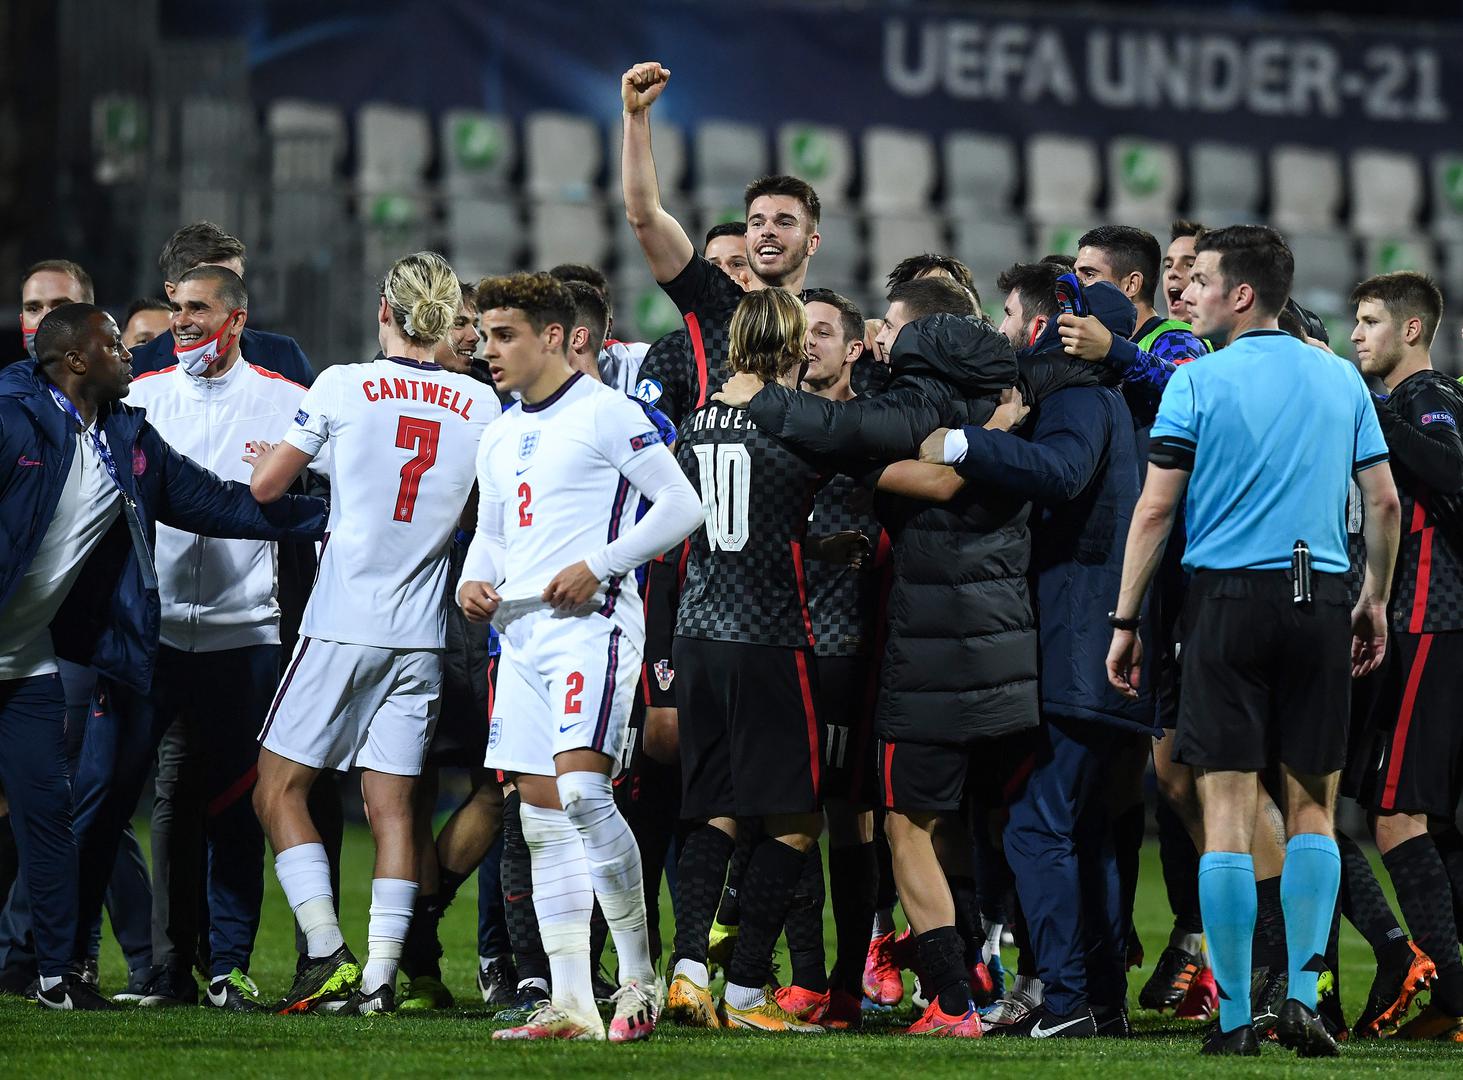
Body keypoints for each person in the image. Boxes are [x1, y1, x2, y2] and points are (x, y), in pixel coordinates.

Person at [1105, 225, 1402, 1058]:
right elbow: (1382, 503)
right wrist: (1371, 598)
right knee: (1312, 807)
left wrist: (1125, 621)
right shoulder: (1340, 377)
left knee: (1227, 811)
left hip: (1225, 602)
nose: (1186, 293)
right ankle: (1303, 995)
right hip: (1320, 599)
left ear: (1241, 294)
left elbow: (1156, 510)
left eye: (1199, 280)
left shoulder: (1195, 383)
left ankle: (1236, 1016)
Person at [718, 275, 1041, 1037]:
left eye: (892, 326)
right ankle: (983, 977)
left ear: (919, 334)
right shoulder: (1002, 400)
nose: (883, 341)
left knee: (902, 826)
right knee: (964, 823)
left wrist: (756, 398)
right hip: (1000, 650)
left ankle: (952, 1002)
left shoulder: (914, 404)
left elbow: (856, 444)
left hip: (926, 655)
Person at [0, 302, 327, 1010]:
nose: (131, 353)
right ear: (76, 360)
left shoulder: (126, 432)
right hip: (48, 645)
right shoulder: (11, 412)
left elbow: (216, 503)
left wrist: (333, 517)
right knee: (81, 806)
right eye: (116, 344)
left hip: (29, 659)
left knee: (49, 813)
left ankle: (59, 976)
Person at [249, 251, 494, 1016]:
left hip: (341, 622)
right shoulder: (482, 407)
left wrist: (293, 466)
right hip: (422, 632)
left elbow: (266, 488)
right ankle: (383, 977)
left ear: (383, 311)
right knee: (392, 806)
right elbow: (475, 517)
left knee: (276, 788)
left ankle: (325, 953)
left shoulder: (341, 384)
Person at [458, 272, 700, 1043]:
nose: (485, 348)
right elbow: (492, 532)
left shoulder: (606, 413)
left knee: (587, 798)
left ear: (556, 337)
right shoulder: (497, 430)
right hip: (521, 631)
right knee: (538, 817)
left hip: (591, 624)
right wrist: (473, 576)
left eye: (503, 335)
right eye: (484, 334)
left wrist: (603, 563)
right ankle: (569, 1001)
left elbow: (682, 505)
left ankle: (637, 979)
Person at [927, 264, 1150, 1038]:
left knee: (1034, 825)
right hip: (1095, 638)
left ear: (1037, 328)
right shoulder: (1087, 399)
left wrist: (967, 442)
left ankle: (1065, 1001)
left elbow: (1058, 474)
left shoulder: (1083, 400)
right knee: (1082, 831)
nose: (998, 332)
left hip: (1079, 638)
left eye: (1005, 318)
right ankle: (1101, 1001)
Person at [114, 266, 309, 1011]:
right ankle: (165, 969)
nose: (182, 321)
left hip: (246, 633)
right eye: (175, 309)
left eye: (197, 308)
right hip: (154, 633)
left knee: (238, 804)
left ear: (237, 317)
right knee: (153, 799)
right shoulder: (142, 395)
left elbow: (341, 493)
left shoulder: (290, 401)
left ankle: (226, 965)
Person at [663, 289, 832, 1034]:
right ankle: (747, 989)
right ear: (793, 343)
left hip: (698, 636)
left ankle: (690, 969)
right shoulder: (797, 425)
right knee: (796, 819)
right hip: (768, 637)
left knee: (713, 806)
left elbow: (707, 530)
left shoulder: (693, 426)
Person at [1344, 271, 1463, 1041]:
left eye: (1367, 321)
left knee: (1395, 813)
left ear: (1410, 331)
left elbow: (1450, 468)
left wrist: (1377, 412)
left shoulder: (1424, 398)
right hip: (1421, 625)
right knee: (1427, 818)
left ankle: (1453, 996)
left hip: (1427, 621)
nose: (1355, 334)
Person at [770, 288, 886, 1030]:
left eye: (821, 332)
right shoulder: (774, 429)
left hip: (843, 648)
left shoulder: (869, 430)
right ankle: (804, 976)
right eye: (798, 331)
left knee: (845, 818)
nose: (806, 343)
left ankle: (842, 980)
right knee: (779, 815)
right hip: (777, 643)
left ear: (852, 349)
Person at [392, 280, 509, 1011]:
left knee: (496, 783)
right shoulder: (396, 395)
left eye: (477, 324)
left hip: (480, 607)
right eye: (459, 322)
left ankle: (422, 922)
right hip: (413, 603)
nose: (470, 335)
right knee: (407, 780)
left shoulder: (498, 403)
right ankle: (419, 965)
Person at [621, 61, 821, 427]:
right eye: (757, 222)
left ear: (812, 243)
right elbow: (645, 217)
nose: (768, 231)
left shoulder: (826, 318)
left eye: (785, 222)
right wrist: (636, 116)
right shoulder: (713, 301)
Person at [125, 222, 315, 386]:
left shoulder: (282, 357)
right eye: (208, 288)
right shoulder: (136, 369)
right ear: (172, 292)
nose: (226, 298)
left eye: (234, 283)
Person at [18, 260, 93, 361]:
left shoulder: (118, 375)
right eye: (33, 309)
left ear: (92, 319)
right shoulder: (8, 376)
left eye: (61, 308)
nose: (45, 319)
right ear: (22, 323)